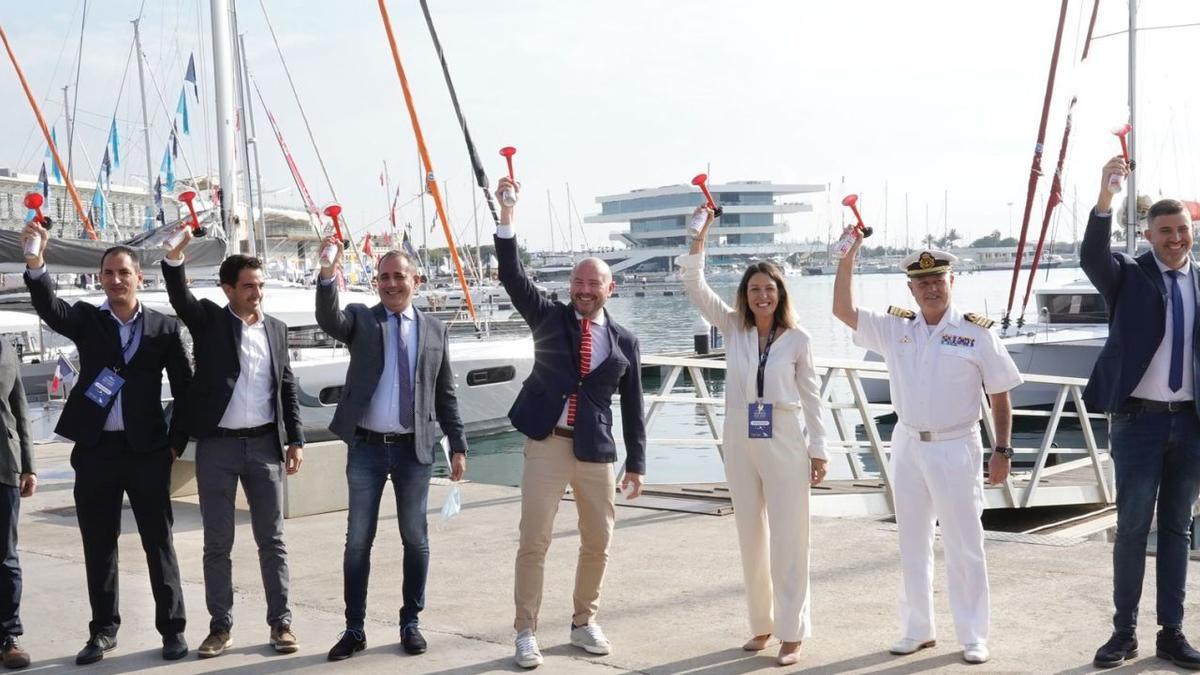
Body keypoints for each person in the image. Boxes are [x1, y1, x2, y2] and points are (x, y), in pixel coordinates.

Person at [832, 236, 1020, 666]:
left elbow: (1000, 394)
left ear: (951, 281)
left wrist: (1002, 450)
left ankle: (973, 634)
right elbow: (842, 311)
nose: (931, 288)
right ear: (910, 290)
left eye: (938, 279)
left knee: (964, 544)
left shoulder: (976, 332)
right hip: (908, 443)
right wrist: (848, 258)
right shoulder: (897, 327)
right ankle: (918, 629)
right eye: (923, 283)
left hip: (957, 445)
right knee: (911, 541)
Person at [20, 222, 192, 665]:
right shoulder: (88, 320)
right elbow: (50, 308)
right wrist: (36, 262)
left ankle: (172, 630)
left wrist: (176, 442)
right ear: (101, 279)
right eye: (108, 273)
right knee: (98, 543)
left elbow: (185, 387)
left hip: (147, 451)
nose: (115, 280)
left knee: (159, 541)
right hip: (96, 451)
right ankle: (102, 632)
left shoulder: (162, 328)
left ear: (139, 278)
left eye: (123, 273)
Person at [493, 177, 646, 669]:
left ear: (609, 288)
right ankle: (525, 631)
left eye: (593, 283)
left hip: (596, 451)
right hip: (546, 443)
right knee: (533, 541)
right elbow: (513, 276)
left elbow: (633, 405)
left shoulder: (624, 342)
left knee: (598, 541)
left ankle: (583, 622)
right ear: (571, 287)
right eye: (578, 283)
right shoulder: (548, 318)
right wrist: (507, 215)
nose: (583, 290)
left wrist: (636, 464)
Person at [675, 205, 827, 666]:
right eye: (754, 289)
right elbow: (694, 286)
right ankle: (761, 624)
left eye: (769, 288)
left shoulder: (797, 340)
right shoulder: (733, 328)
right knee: (750, 533)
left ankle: (792, 631)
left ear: (781, 293)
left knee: (788, 535)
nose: (762, 296)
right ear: (745, 295)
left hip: (782, 434)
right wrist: (698, 239)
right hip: (739, 431)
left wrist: (818, 451)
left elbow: (813, 399)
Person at [314, 242, 467, 661]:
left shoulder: (435, 329)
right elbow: (328, 317)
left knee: (415, 539)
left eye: (400, 276)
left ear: (416, 281)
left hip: (413, 451)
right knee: (358, 541)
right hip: (365, 449)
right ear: (376, 282)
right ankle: (354, 628)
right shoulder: (363, 320)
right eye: (384, 276)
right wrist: (328, 272)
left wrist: (458, 443)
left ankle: (410, 621)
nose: (392, 283)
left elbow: (445, 392)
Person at [161, 234, 305, 658]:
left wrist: (294, 438)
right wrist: (174, 259)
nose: (257, 293)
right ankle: (219, 628)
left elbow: (287, 387)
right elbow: (180, 296)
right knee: (217, 543)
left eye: (260, 285)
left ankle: (281, 624)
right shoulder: (209, 321)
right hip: (217, 449)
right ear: (228, 290)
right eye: (248, 286)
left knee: (272, 541)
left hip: (264, 447)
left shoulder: (276, 330)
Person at [1081, 156, 1200, 670]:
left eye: (1183, 230)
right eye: (1165, 231)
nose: (1175, 239)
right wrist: (1106, 196)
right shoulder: (1127, 274)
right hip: (1137, 422)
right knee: (1132, 527)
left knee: (1177, 529)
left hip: (1190, 422)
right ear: (1149, 234)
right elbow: (1092, 255)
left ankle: (1171, 633)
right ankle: (1122, 632)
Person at [0, 336, 36, 669]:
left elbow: (20, 407)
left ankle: (9, 636)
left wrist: (29, 465)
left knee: (6, 557)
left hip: (3, 467)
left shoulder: (5, 347)